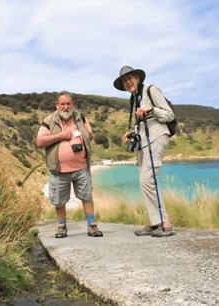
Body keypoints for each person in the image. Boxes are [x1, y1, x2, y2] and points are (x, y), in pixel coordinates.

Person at [113, 66, 176, 237]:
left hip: (156, 138)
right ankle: (155, 223)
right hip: (144, 141)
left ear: (137, 78)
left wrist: (152, 109)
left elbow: (170, 115)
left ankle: (166, 224)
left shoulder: (151, 90)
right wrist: (132, 133)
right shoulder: (134, 98)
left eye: (130, 78)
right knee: (144, 180)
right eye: (124, 81)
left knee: (149, 179)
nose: (128, 82)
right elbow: (141, 122)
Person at [37, 91, 102, 238]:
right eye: (62, 104)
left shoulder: (81, 118)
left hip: (82, 168)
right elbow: (40, 142)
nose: (65, 107)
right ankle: (62, 227)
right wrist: (62, 136)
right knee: (59, 200)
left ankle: (92, 226)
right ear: (57, 105)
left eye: (68, 104)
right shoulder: (48, 120)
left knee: (87, 197)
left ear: (72, 104)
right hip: (58, 170)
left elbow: (90, 136)